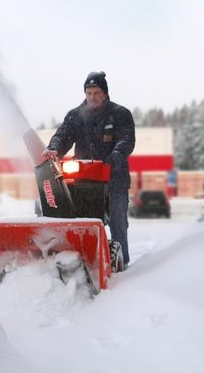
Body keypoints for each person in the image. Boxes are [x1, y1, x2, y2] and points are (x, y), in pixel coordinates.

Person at [43, 71, 136, 267]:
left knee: (117, 222)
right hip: (83, 180)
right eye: (89, 92)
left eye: (96, 92)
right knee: (78, 221)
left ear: (105, 93)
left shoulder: (119, 114)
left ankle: (121, 263)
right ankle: (81, 258)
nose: (92, 97)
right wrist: (54, 149)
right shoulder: (75, 116)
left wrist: (116, 156)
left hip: (114, 178)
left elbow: (126, 139)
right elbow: (63, 135)